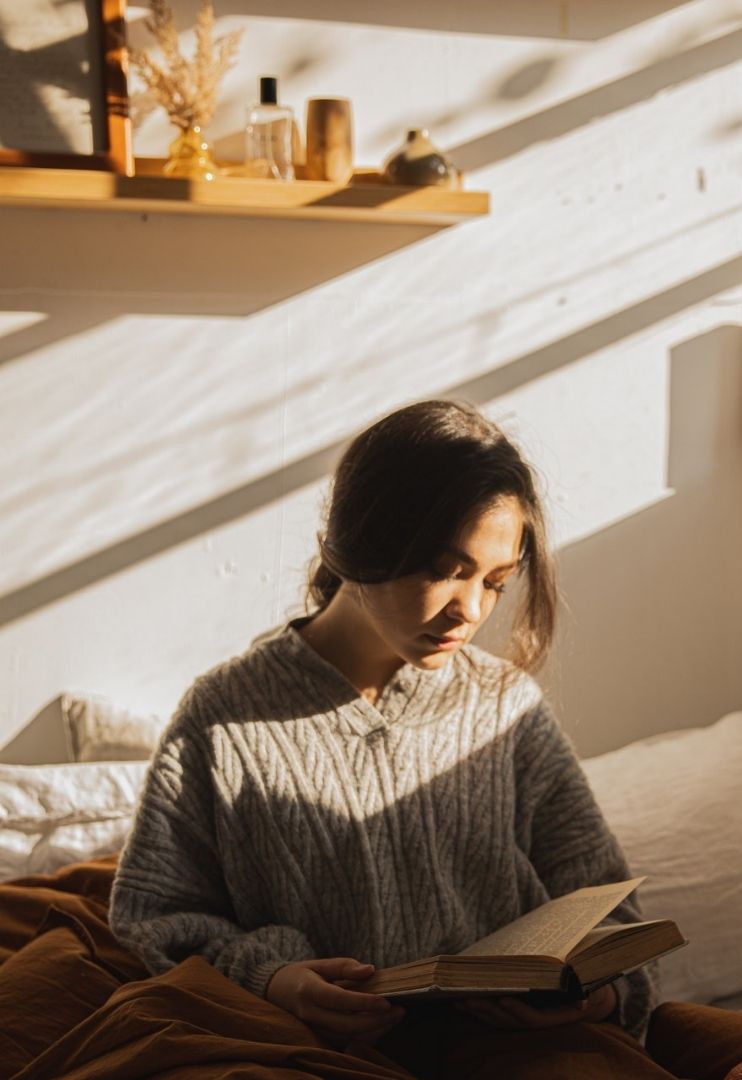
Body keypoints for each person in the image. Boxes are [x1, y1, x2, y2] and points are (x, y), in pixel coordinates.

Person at [109, 399, 677, 1079]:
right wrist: (274, 978)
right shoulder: (225, 716)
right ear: (362, 543)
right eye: (445, 569)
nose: (470, 611)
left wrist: (589, 997)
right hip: (307, 1052)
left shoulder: (505, 710)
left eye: (496, 582)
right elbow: (155, 916)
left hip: (513, 1051)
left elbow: (609, 912)